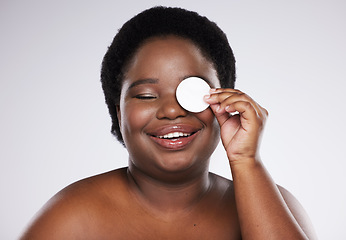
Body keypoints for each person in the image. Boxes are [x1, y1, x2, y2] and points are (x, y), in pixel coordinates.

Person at [20, 6, 318, 239]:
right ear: (119, 112)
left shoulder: (274, 206)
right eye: (147, 95)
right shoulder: (71, 217)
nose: (172, 110)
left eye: (192, 91)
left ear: (226, 101)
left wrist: (246, 161)